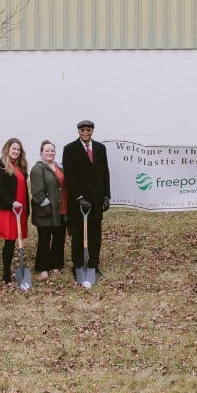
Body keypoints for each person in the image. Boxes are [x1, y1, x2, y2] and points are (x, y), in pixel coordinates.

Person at [63, 120, 111, 280]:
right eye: (83, 130)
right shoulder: (69, 149)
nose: (85, 132)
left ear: (92, 131)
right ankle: (77, 265)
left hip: (96, 201)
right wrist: (80, 198)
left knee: (95, 234)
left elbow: (105, 172)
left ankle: (94, 264)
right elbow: (69, 177)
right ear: (78, 131)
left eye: (88, 130)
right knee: (78, 234)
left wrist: (106, 196)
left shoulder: (100, 148)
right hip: (79, 202)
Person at [0, 138, 29, 284]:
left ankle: (13, 269)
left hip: (20, 208)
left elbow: (24, 190)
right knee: (10, 240)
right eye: (13, 148)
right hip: (8, 208)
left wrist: (26, 209)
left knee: (14, 239)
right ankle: (6, 272)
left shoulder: (20, 167)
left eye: (18, 149)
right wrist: (11, 202)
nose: (16, 151)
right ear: (7, 149)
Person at [30, 140, 67, 281]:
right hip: (46, 212)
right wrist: (49, 206)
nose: (50, 153)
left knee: (59, 238)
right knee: (44, 240)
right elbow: (37, 192)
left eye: (52, 150)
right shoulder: (38, 168)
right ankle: (43, 268)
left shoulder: (59, 167)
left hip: (61, 209)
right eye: (47, 151)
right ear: (41, 153)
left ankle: (56, 265)